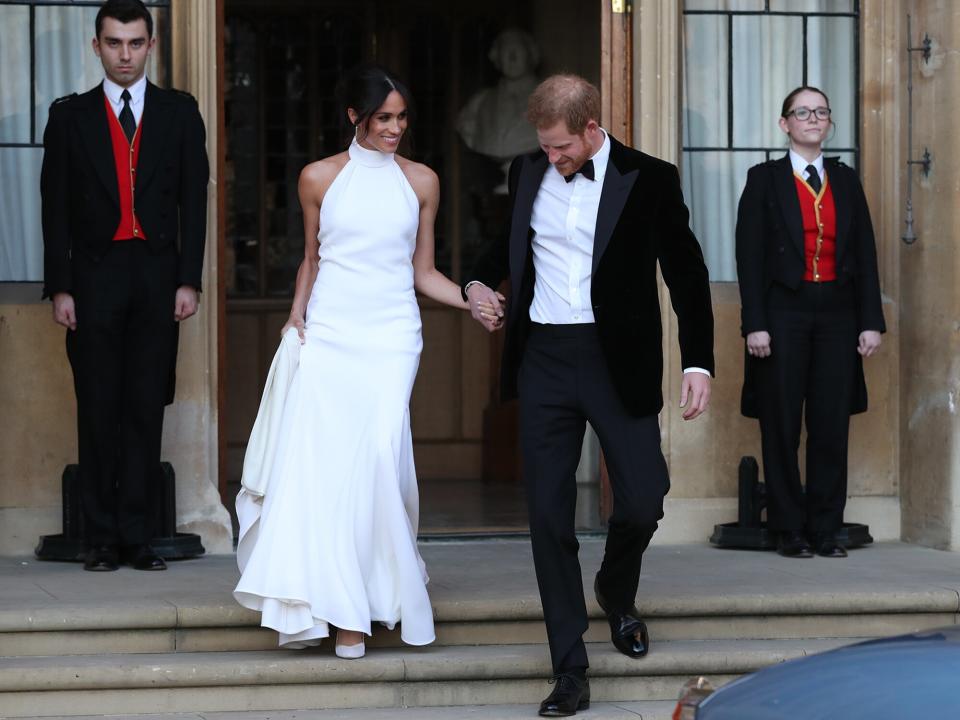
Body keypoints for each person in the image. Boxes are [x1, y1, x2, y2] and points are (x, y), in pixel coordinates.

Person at [464, 75, 714, 717]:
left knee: (643, 497)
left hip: (616, 361)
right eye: (545, 148)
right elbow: (501, 249)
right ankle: (569, 668)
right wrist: (474, 284)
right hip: (544, 357)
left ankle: (615, 588)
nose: (552, 159)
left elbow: (686, 272)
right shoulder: (526, 172)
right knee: (548, 517)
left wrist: (699, 363)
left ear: (592, 126)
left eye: (562, 148)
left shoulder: (649, 178)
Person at [233, 66, 496, 659]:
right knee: (327, 471)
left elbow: (423, 272)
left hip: (392, 337)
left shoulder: (422, 181)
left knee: (379, 461)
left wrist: (471, 296)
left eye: (402, 117)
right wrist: (296, 317)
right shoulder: (317, 178)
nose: (395, 128)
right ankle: (340, 612)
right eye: (384, 118)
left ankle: (369, 602)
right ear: (355, 116)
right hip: (330, 333)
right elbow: (311, 257)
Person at [40, 0, 209, 572]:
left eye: (135, 43)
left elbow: (195, 202)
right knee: (97, 405)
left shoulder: (181, 114)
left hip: (158, 277)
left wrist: (189, 280)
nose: (125, 54)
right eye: (114, 43)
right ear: (96, 47)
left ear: (151, 46)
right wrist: (60, 287)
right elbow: (54, 210)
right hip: (93, 276)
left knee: (144, 404)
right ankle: (100, 538)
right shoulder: (69, 116)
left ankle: (138, 537)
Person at [735, 86, 885, 560]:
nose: (813, 118)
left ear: (829, 122)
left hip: (838, 314)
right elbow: (749, 256)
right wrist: (754, 323)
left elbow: (864, 252)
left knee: (830, 424)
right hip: (783, 313)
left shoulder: (845, 179)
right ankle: (787, 528)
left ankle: (824, 527)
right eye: (803, 112)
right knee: (781, 423)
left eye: (821, 111)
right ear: (786, 125)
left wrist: (870, 321)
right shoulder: (764, 180)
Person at [457, 28, 541, 192]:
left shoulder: (554, 101)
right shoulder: (479, 103)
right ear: (496, 58)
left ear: (531, 54)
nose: (512, 57)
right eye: (505, 51)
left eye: (518, 50)